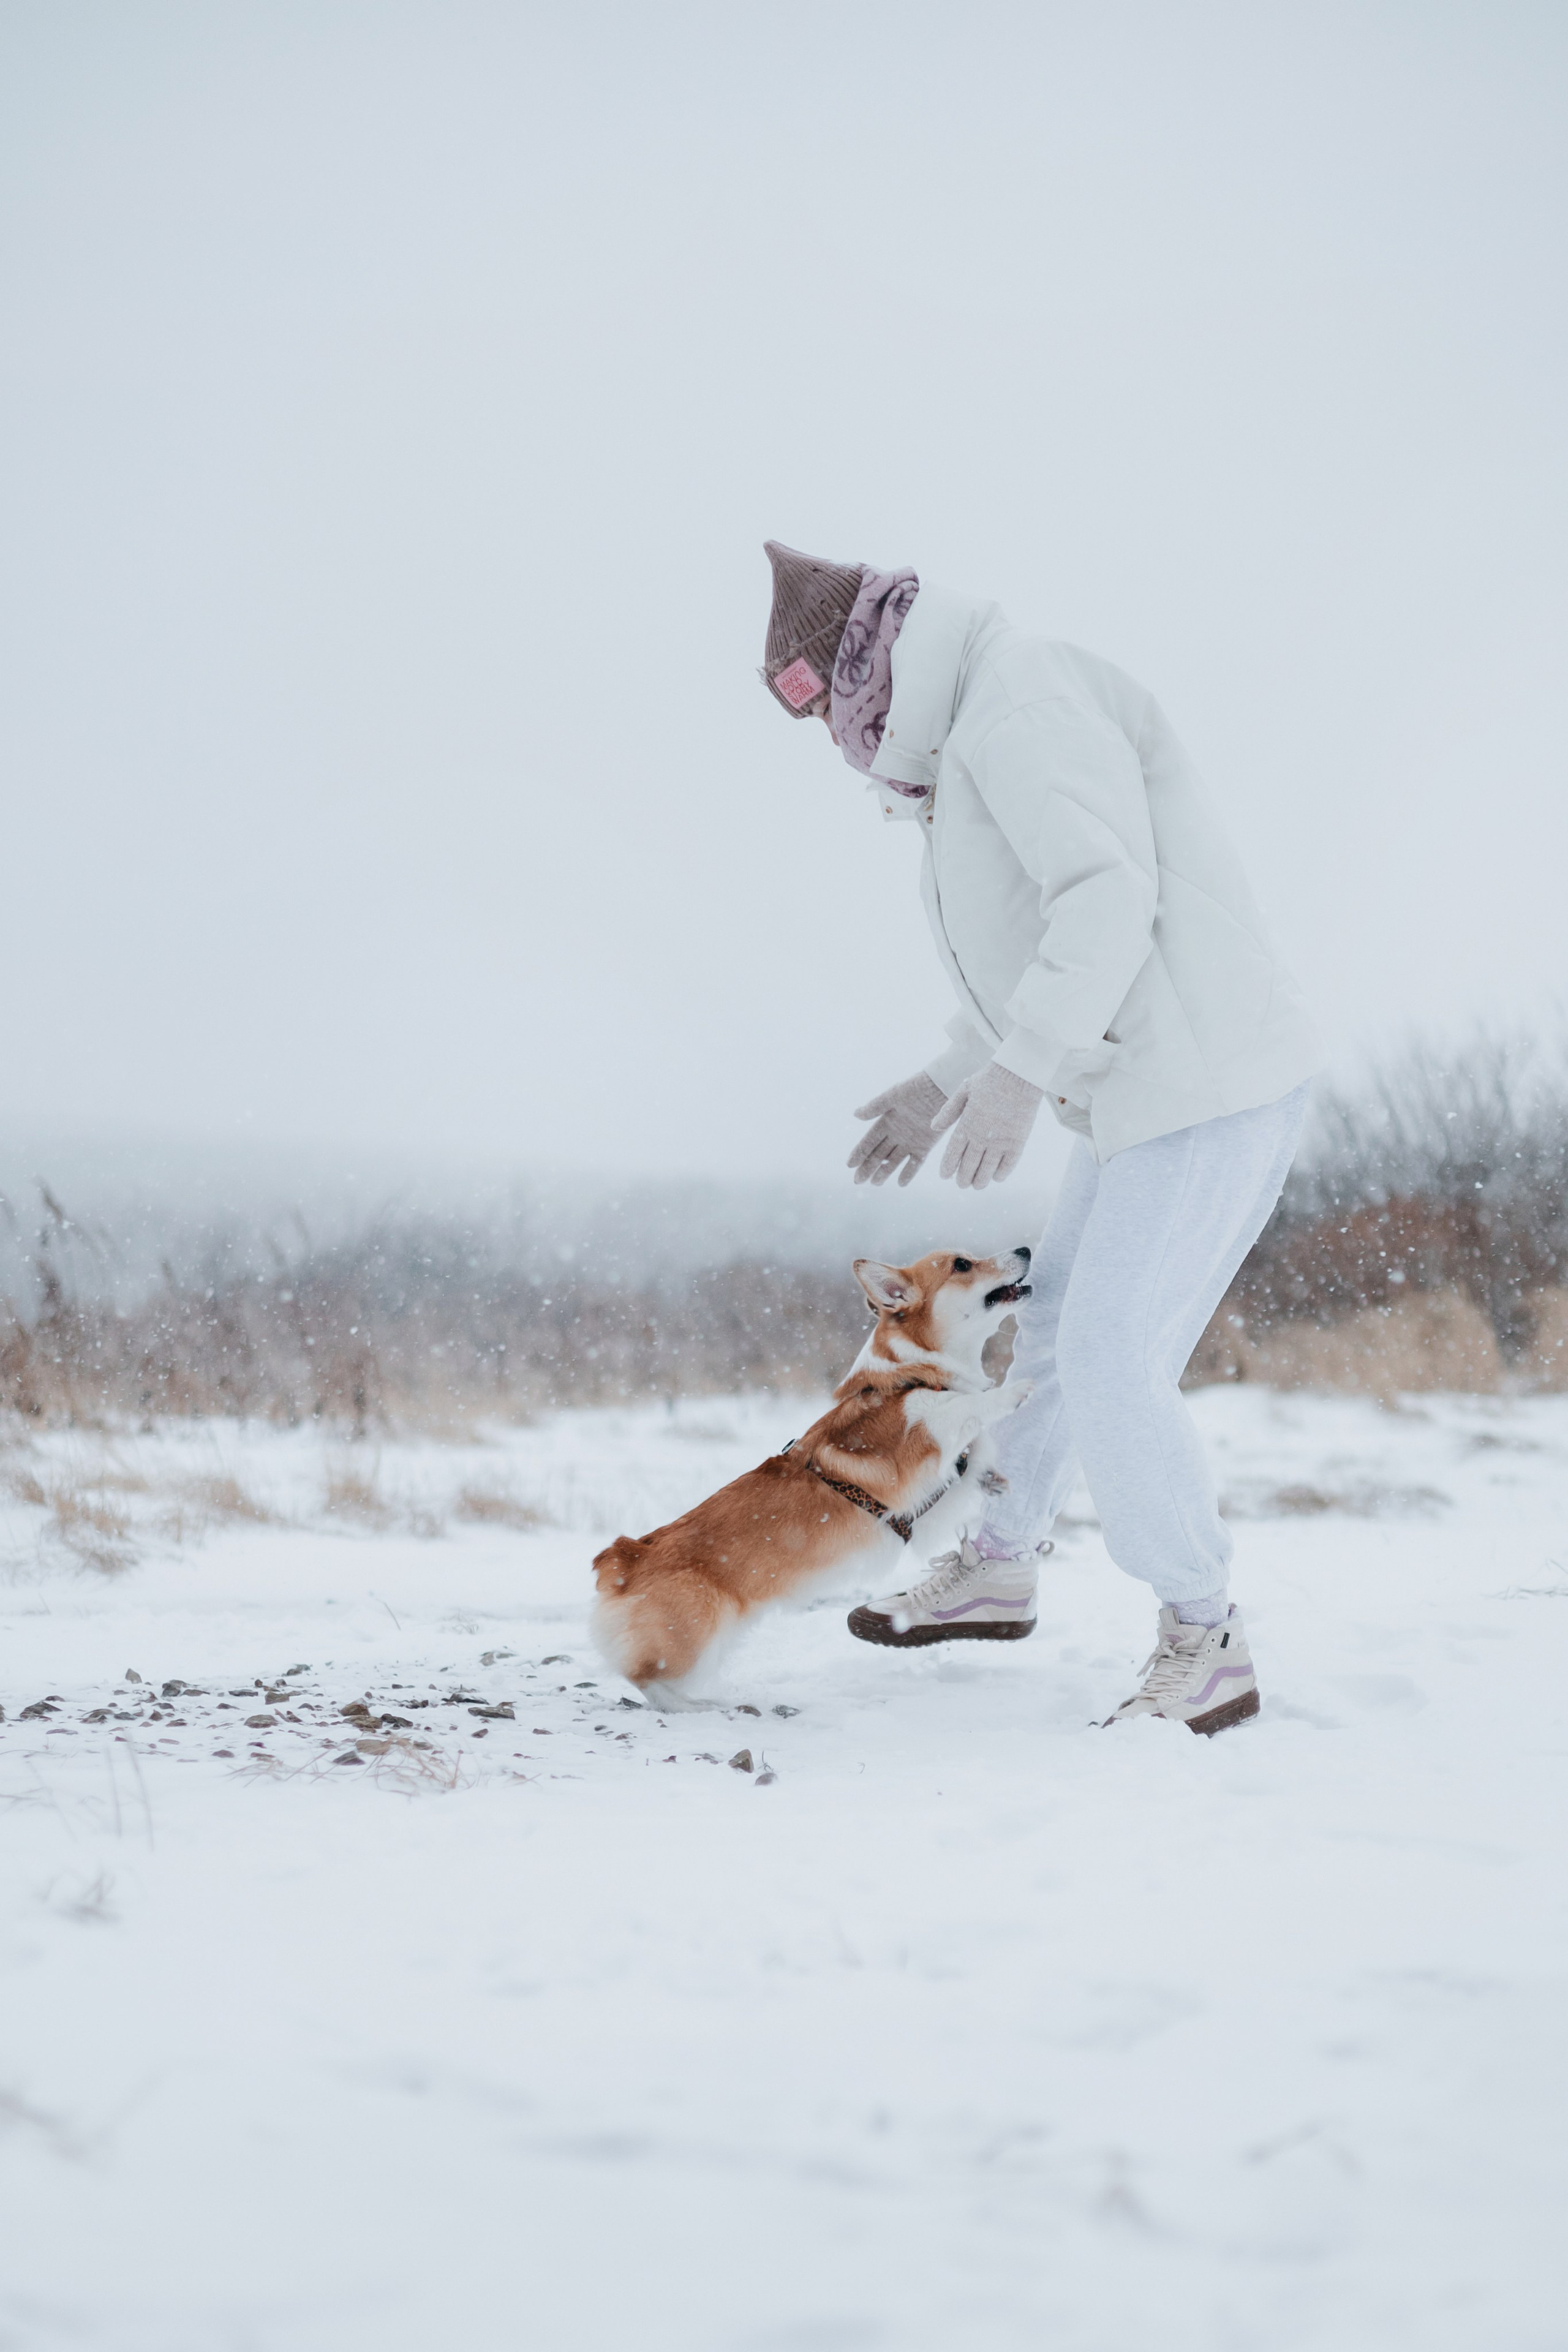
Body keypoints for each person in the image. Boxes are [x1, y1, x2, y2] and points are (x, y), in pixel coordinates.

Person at [759, 543, 1322, 1734]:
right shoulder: (971, 727)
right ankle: (1001, 1564)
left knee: (1112, 1354)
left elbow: (1104, 898)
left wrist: (1020, 1075)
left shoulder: (1017, 708)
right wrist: (948, 1078)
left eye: (828, 709)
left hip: (1206, 1080)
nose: (840, 740)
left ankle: (1204, 1636)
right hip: (1144, 1086)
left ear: (863, 663)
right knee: (1059, 1332)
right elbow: (1029, 952)